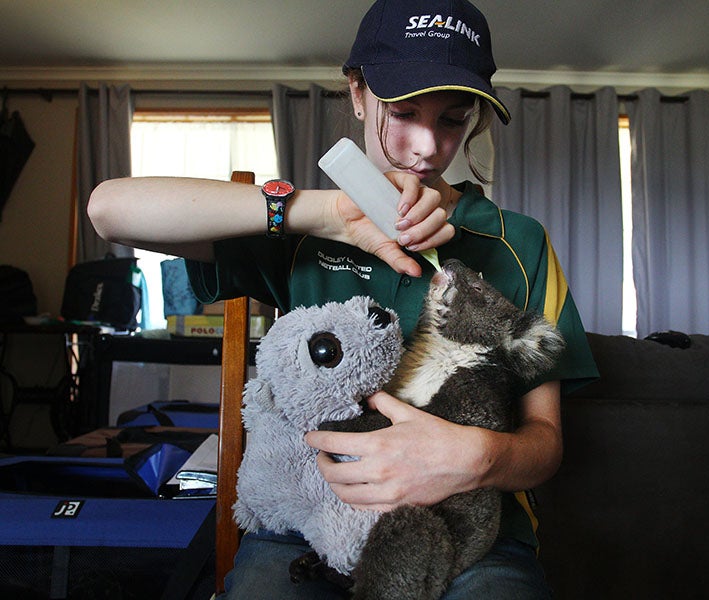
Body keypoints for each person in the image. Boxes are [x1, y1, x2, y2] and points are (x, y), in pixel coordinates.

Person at [89, 0, 598, 597]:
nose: (426, 149)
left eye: (454, 120)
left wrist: (479, 457)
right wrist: (325, 211)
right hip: (304, 527)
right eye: (403, 112)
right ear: (356, 93)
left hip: (472, 536)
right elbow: (109, 211)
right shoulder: (300, 233)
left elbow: (546, 444)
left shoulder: (518, 243)